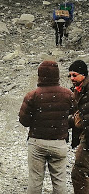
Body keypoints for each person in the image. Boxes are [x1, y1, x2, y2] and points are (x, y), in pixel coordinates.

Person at [19, 60, 75, 194]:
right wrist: (65, 124)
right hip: (59, 143)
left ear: (40, 75)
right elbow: (76, 116)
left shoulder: (32, 95)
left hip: (37, 143)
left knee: (35, 182)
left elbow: (24, 121)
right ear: (57, 75)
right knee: (60, 181)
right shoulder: (68, 95)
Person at [68, 60, 89, 193]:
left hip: (87, 139)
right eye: (70, 75)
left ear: (84, 75)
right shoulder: (78, 91)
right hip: (85, 136)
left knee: (79, 173)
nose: (71, 79)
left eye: (74, 75)